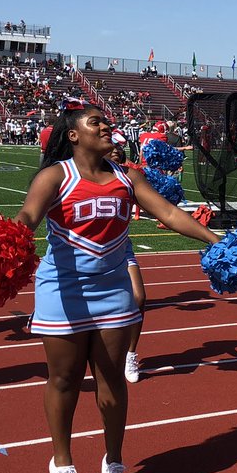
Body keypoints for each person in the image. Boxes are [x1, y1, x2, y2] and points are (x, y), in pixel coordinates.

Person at [14, 103, 219, 473]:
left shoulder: (129, 177)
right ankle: (62, 463)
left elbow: (168, 213)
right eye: (96, 122)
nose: (107, 127)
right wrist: (6, 243)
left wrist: (217, 242)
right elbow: (28, 216)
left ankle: (114, 462)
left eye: (107, 122)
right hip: (63, 290)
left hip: (112, 289)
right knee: (64, 379)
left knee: (111, 380)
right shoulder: (55, 176)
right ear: (74, 134)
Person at [108, 141, 148, 384]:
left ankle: (130, 354)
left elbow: (162, 209)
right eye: (111, 149)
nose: (115, 152)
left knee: (139, 297)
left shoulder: (128, 177)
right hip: (84, 254)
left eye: (119, 151)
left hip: (122, 247)